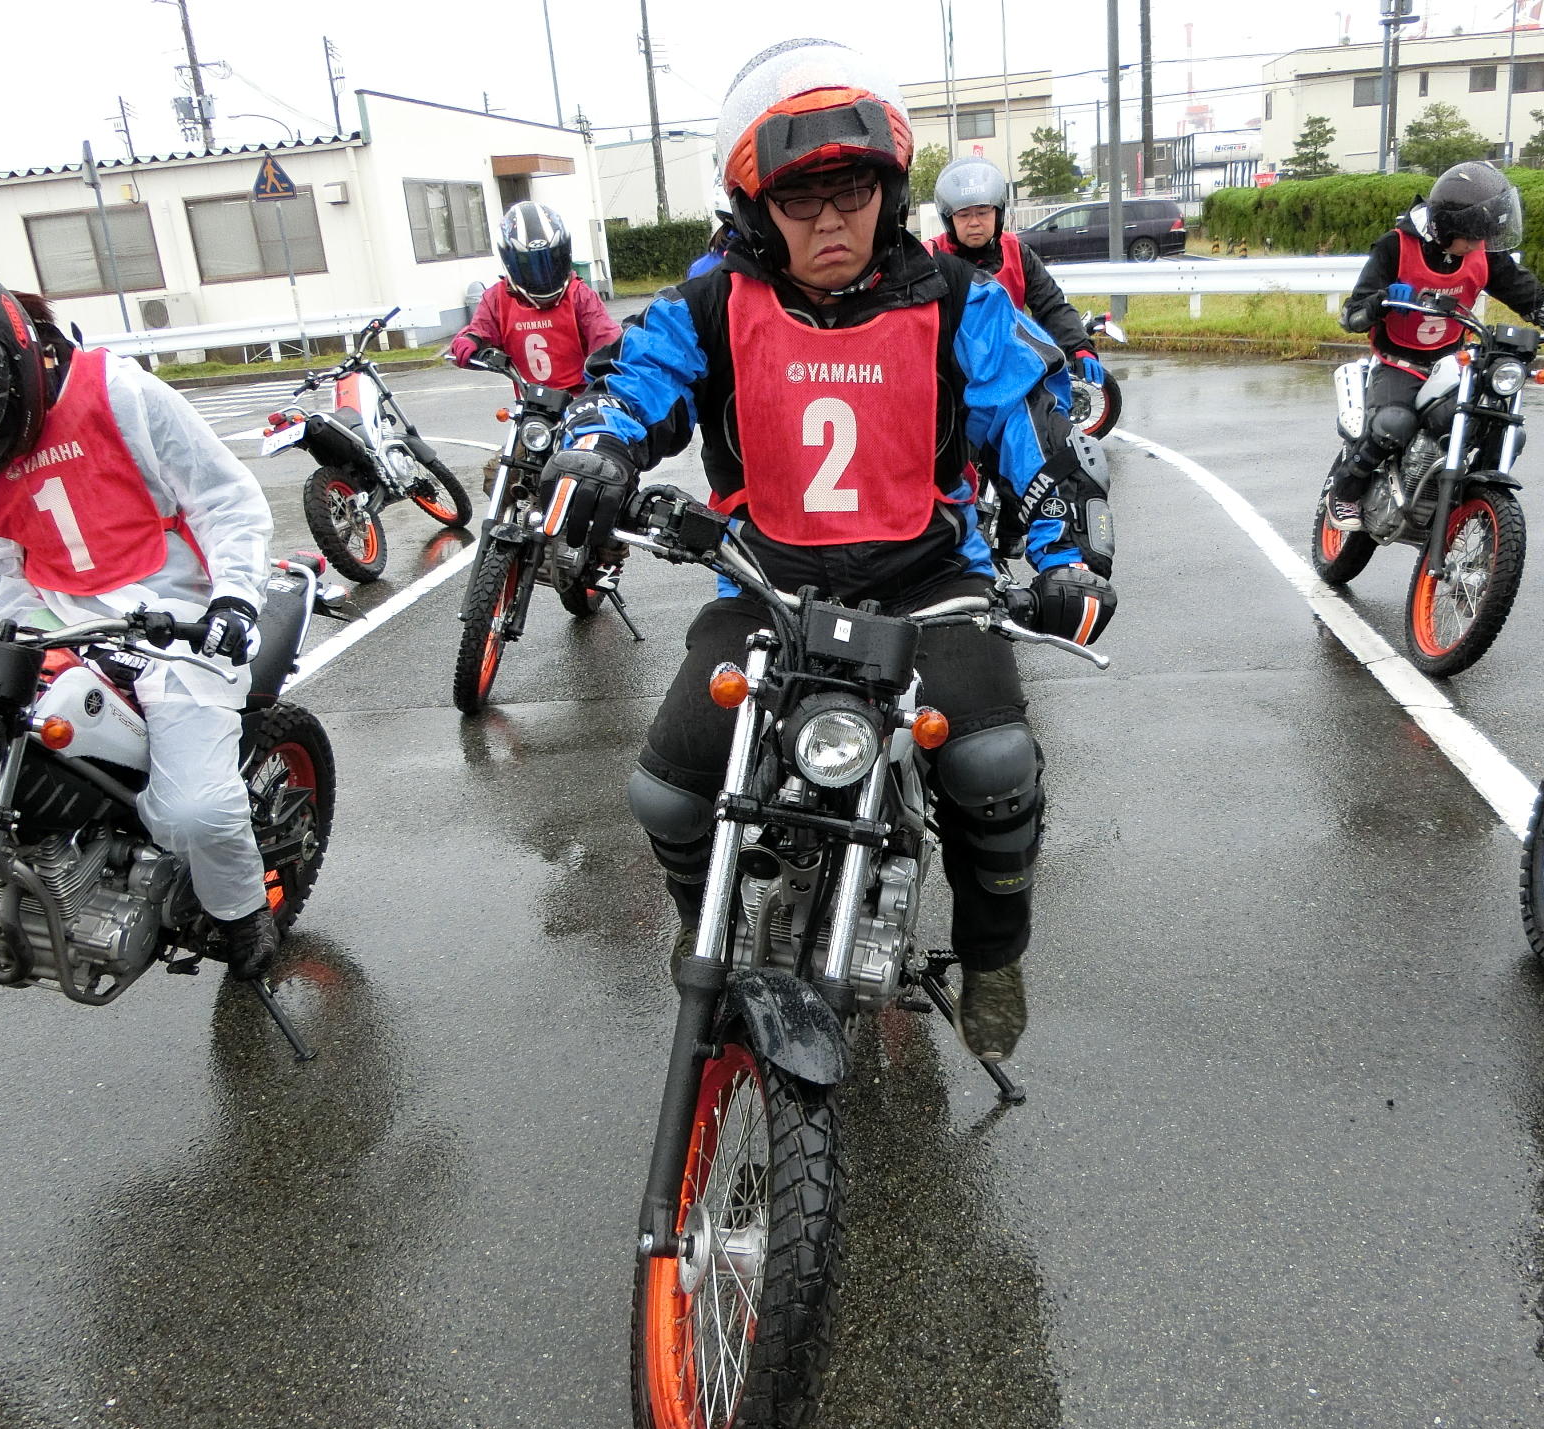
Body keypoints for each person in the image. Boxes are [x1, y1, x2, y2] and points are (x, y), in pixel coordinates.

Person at [539, 37, 1116, 1061]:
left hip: (927, 583)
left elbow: (1033, 428)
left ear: (888, 191)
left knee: (991, 765)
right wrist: (595, 453)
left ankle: (993, 959)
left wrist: (1063, 551)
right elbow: (627, 386)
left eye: (850, 190)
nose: (828, 219)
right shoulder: (712, 303)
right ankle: (698, 911)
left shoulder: (956, 301)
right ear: (754, 205)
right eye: (798, 197)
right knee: (664, 790)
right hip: (768, 584)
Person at [0, 239, 280, 980]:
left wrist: (232, 598)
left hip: (179, 619)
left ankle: (241, 915)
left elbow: (226, 501)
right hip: (55, 627)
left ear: (4, 364)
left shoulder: (124, 394)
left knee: (195, 814)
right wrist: (40, 633)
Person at [1326, 161, 1544, 532]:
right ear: (1447, 226)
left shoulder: (1480, 251)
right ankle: (1345, 492)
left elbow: (1525, 292)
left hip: (1451, 360)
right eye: (1471, 236)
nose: (1478, 245)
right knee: (1394, 424)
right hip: (1399, 361)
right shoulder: (1396, 246)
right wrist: (1379, 302)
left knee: (1491, 422)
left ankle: (1467, 501)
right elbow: (1354, 311)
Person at [926, 155, 1106, 554]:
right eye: (964, 214)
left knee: (1033, 455)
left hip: (1011, 378)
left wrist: (1078, 345)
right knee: (950, 468)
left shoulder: (1018, 254)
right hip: (955, 381)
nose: (974, 222)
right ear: (948, 219)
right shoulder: (931, 260)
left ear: (999, 212)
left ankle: (1014, 530)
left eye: (983, 212)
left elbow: (1051, 304)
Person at [449, 201, 621, 388]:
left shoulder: (579, 295)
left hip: (583, 401)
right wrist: (469, 341)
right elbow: (480, 330)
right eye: (529, 265)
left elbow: (606, 339)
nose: (543, 274)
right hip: (532, 407)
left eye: (552, 259)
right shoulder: (497, 299)